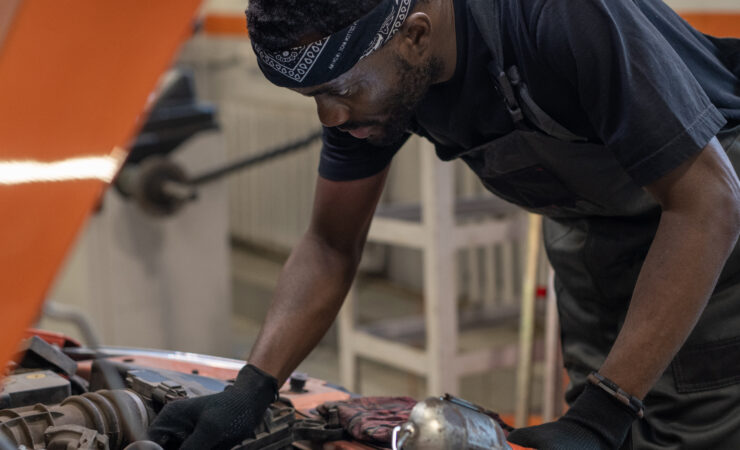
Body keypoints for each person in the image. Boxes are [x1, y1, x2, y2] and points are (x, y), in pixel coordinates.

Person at [148, 0, 740, 448]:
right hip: (591, 236)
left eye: (340, 90)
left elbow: (709, 203)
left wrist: (604, 411)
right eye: (314, 98)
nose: (330, 115)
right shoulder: (373, 82)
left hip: (713, 228)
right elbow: (330, 245)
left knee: (679, 431)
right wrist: (252, 388)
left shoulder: (562, 18)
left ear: (417, 35)